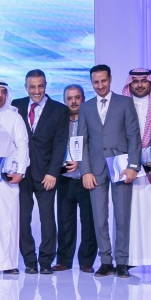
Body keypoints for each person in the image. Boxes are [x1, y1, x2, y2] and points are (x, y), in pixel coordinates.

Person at [79, 64, 142, 278]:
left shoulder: (125, 103)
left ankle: (122, 261)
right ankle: (105, 261)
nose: (100, 86)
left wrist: (133, 166)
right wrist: (85, 171)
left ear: (111, 79)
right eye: (96, 82)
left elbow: (134, 136)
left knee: (122, 216)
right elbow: (82, 140)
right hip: (95, 169)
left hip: (121, 167)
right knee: (99, 217)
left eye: (103, 81)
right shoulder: (86, 107)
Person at [11, 69, 69, 275]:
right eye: (32, 87)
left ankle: (45, 261)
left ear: (45, 86)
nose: (37, 91)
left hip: (46, 174)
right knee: (22, 218)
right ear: (25, 87)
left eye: (40, 86)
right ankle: (29, 260)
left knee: (47, 218)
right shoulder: (16, 106)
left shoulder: (59, 110)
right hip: (22, 173)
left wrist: (53, 172)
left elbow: (60, 144)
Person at [122, 68, 151, 274]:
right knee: (131, 214)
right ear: (129, 84)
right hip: (130, 169)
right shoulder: (122, 104)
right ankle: (131, 258)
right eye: (136, 81)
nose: (140, 85)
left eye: (144, 81)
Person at [0, 79, 29, 274]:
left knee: (6, 220)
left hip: (6, 176)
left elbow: (23, 145)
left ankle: (7, 264)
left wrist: (21, 171)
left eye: (3, 91)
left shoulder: (14, 117)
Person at [54, 85, 97, 273]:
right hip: (64, 178)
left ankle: (87, 261)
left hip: (86, 177)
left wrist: (83, 164)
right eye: (69, 98)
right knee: (64, 222)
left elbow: (96, 147)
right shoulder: (59, 121)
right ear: (64, 100)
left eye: (77, 97)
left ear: (83, 98)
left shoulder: (91, 120)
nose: (73, 101)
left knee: (89, 221)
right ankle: (64, 260)